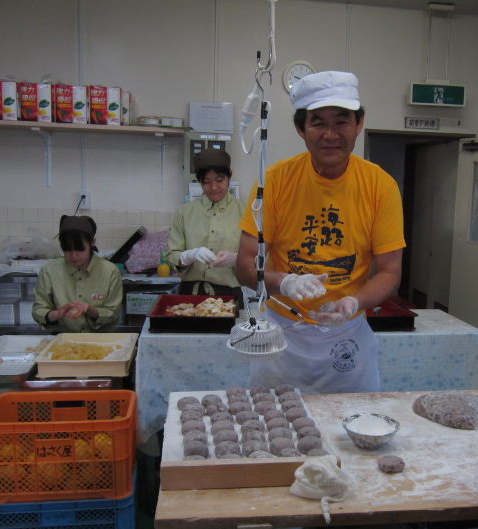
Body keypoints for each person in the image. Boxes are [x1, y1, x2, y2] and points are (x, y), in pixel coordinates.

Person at [234, 70, 406, 393]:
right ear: (301, 129)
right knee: (274, 431)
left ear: (359, 123)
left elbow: (389, 271)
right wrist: (284, 281)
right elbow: (244, 266)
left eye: (341, 122)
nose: (330, 134)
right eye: (318, 123)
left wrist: (353, 303)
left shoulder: (380, 187)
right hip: (281, 335)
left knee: (352, 430)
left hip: (347, 334)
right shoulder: (274, 182)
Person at [165, 148, 245, 302]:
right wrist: (189, 255)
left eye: (220, 180)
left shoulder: (246, 213)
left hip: (230, 295)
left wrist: (238, 259)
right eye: (207, 182)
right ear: (200, 181)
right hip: (190, 295)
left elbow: (260, 258)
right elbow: (171, 256)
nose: (214, 187)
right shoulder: (184, 212)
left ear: (230, 174)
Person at [32, 215, 122, 332]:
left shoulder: (110, 272)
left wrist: (90, 310)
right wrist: (57, 314)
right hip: (62, 339)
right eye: (67, 249)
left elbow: (113, 315)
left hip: (99, 339)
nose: (73, 255)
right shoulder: (49, 271)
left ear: (92, 243)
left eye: (80, 249)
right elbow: (38, 311)